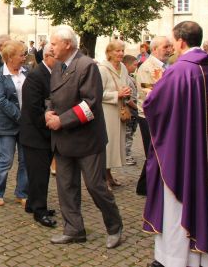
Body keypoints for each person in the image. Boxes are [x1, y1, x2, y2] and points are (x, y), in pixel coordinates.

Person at [143, 22, 208, 267]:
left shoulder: (178, 71)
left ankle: (177, 259)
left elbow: (154, 106)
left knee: (177, 207)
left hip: (183, 151)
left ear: (181, 41)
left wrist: (152, 95)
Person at [45, 25, 123, 248]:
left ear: (67, 44)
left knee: (96, 187)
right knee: (66, 187)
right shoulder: (59, 66)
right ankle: (74, 229)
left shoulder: (87, 66)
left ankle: (114, 226)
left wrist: (62, 120)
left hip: (86, 140)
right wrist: (48, 112)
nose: (50, 47)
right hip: (63, 140)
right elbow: (54, 97)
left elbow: (90, 105)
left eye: (54, 43)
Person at [20, 43, 57, 228]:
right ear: (48, 56)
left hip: (43, 133)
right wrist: (48, 123)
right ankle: (39, 211)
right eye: (56, 57)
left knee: (39, 173)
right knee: (39, 175)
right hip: (36, 135)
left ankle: (32, 205)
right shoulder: (36, 76)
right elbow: (34, 109)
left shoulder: (50, 73)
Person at [0, 41, 29, 209]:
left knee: (25, 160)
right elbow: (1, 101)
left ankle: (22, 192)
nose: (24, 58)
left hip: (26, 125)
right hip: (7, 125)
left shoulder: (27, 72)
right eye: (21, 55)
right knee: (6, 160)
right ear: (10, 57)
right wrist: (20, 117)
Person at [135, 35, 172, 196]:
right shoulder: (146, 67)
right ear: (154, 49)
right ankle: (145, 187)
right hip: (149, 116)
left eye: (170, 46)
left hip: (163, 116)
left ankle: (145, 186)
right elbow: (150, 93)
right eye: (166, 47)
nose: (170, 50)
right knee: (153, 152)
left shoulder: (168, 65)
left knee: (156, 151)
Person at [97, 40, 130, 189]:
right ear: (109, 52)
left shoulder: (123, 67)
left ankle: (109, 174)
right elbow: (97, 93)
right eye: (117, 51)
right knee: (108, 144)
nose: (121, 53)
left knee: (117, 143)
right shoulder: (102, 69)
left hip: (120, 109)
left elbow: (127, 84)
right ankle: (102, 178)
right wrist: (117, 94)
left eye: (122, 50)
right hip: (107, 111)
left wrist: (127, 92)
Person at [121, 55, 138, 166]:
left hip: (133, 109)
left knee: (130, 132)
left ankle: (126, 154)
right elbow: (128, 98)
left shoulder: (130, 77)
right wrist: (137, 107)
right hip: (131, 109)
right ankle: (126, 155)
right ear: (126, 65)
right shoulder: (126, 79)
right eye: (134, 65)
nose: (136, 67)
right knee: (128, 133)